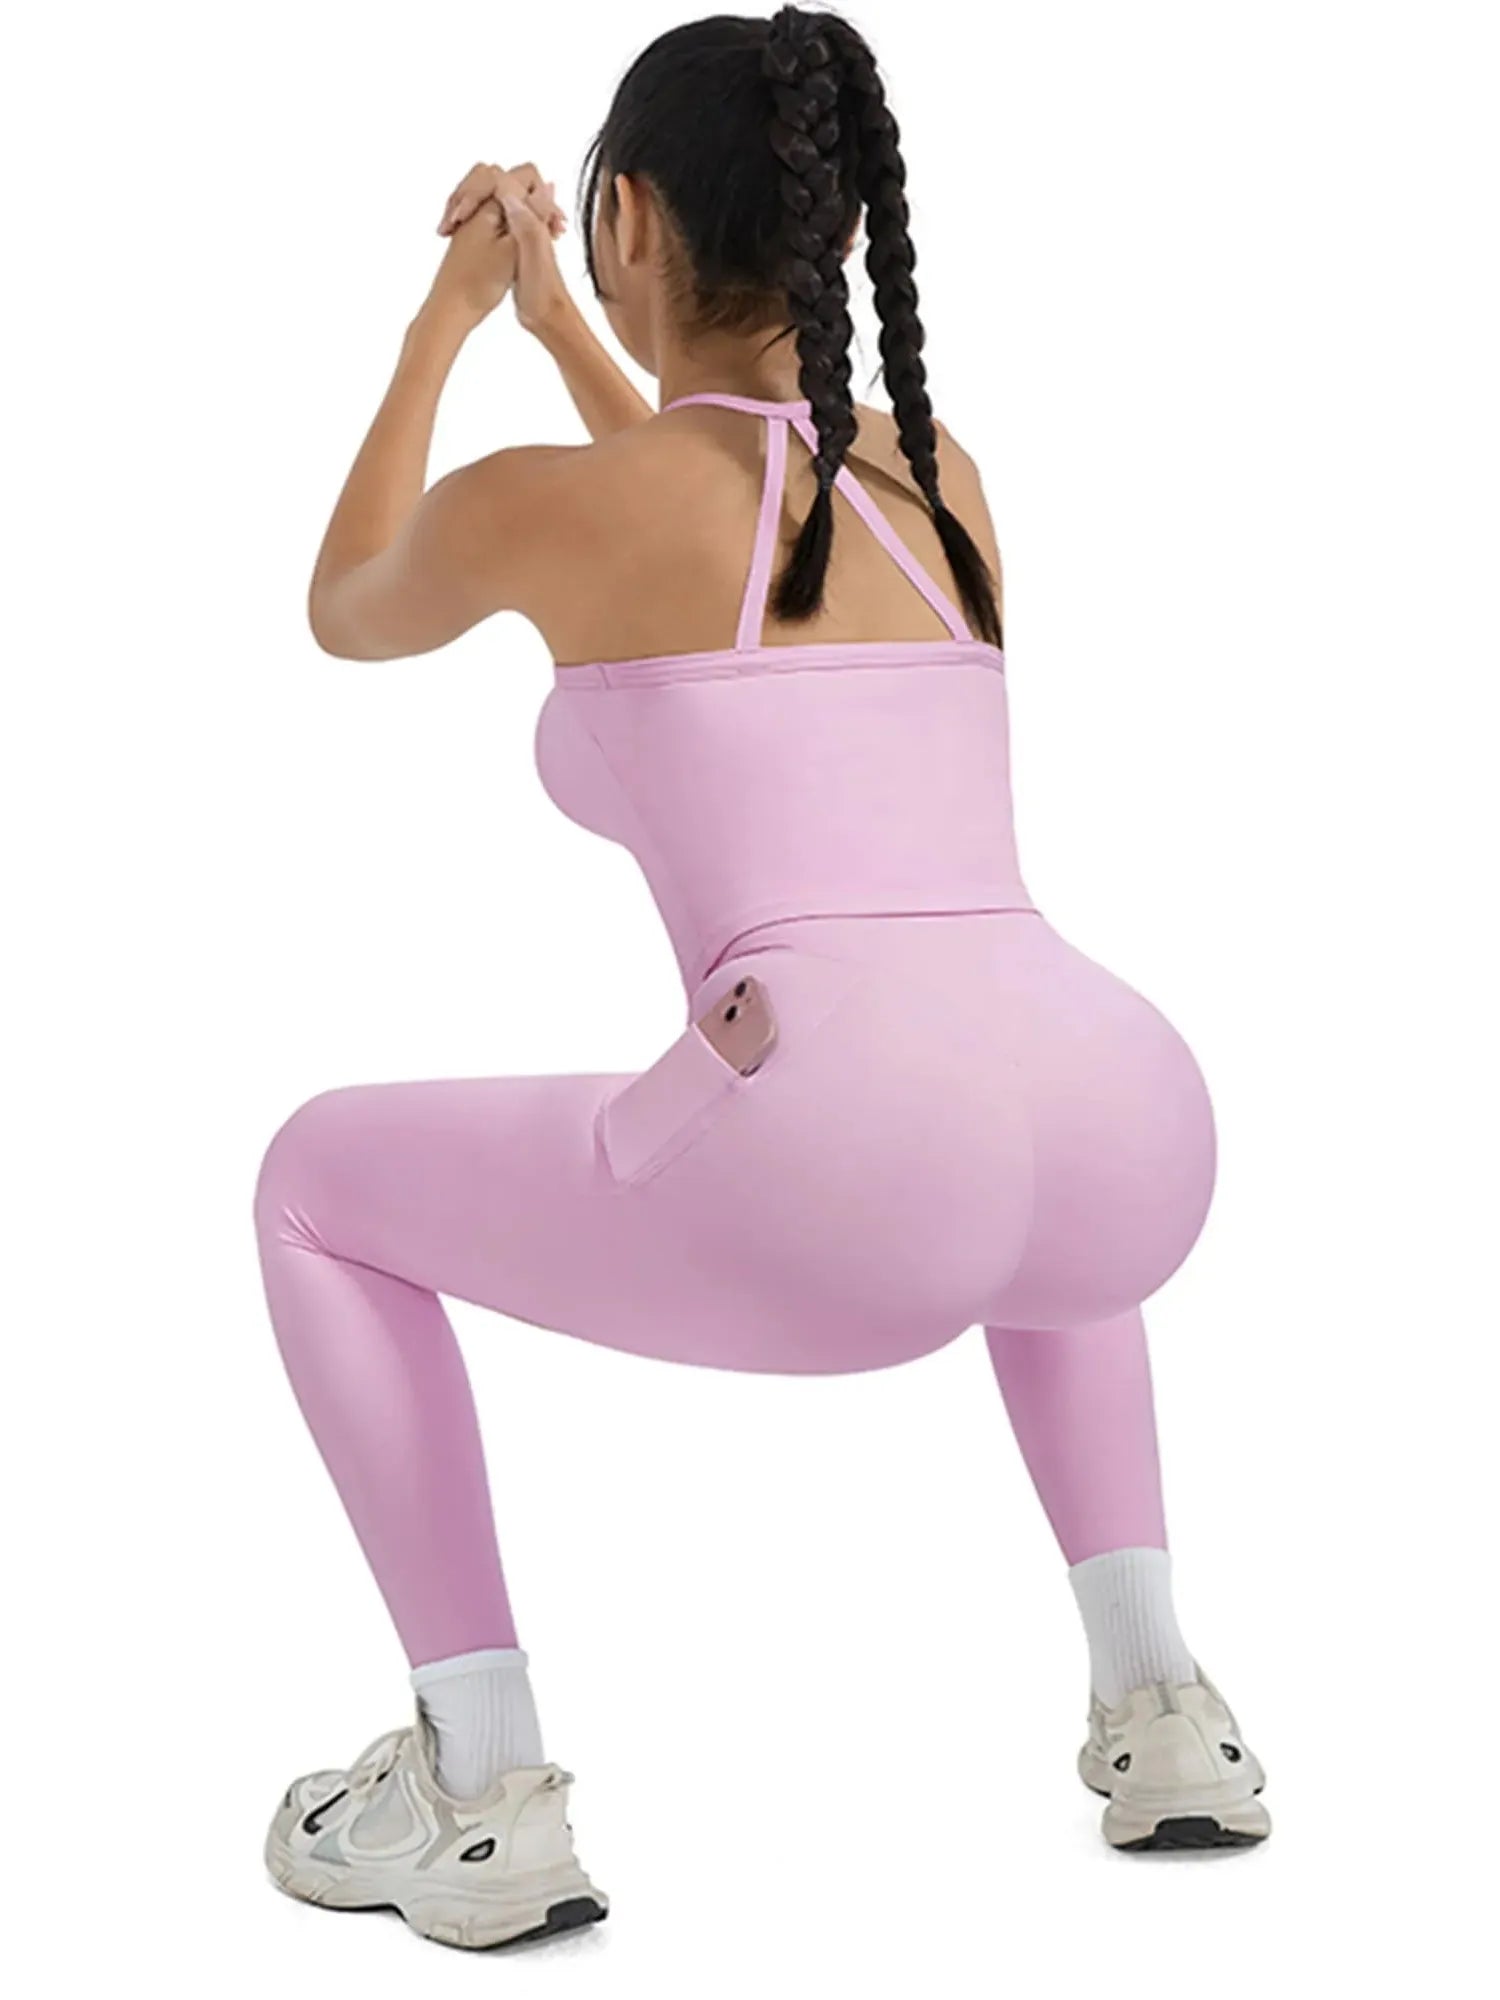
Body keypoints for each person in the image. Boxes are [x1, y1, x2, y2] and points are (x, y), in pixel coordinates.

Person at [256, 5, 1270, 1954]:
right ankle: (1165, 1707)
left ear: (628, 216)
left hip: (840, 1151)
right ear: (840, 225)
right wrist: (573, 327)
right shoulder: (937, 476)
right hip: (1118, 1113)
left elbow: (348, 603)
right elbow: (721, 484)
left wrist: (450, 325)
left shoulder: (557, 506)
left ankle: (479, 1790)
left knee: (310, 1180)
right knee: (998, 1127)